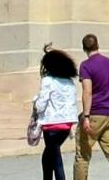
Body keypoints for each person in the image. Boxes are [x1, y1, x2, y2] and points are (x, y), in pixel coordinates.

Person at [75, 33, 109, 180]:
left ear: (84, 48)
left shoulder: (86, 66)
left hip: (94, 115)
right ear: (97, 45)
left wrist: (86, 116)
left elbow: (87, 91)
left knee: (82, 155)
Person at [33, 47, 81, 180]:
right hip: (66, 125)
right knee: (48, 156)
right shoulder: (69, 82)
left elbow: (41, 104)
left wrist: (36, 104)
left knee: (56, 159)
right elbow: (71, 102)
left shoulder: (48, 81)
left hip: (51, 125)